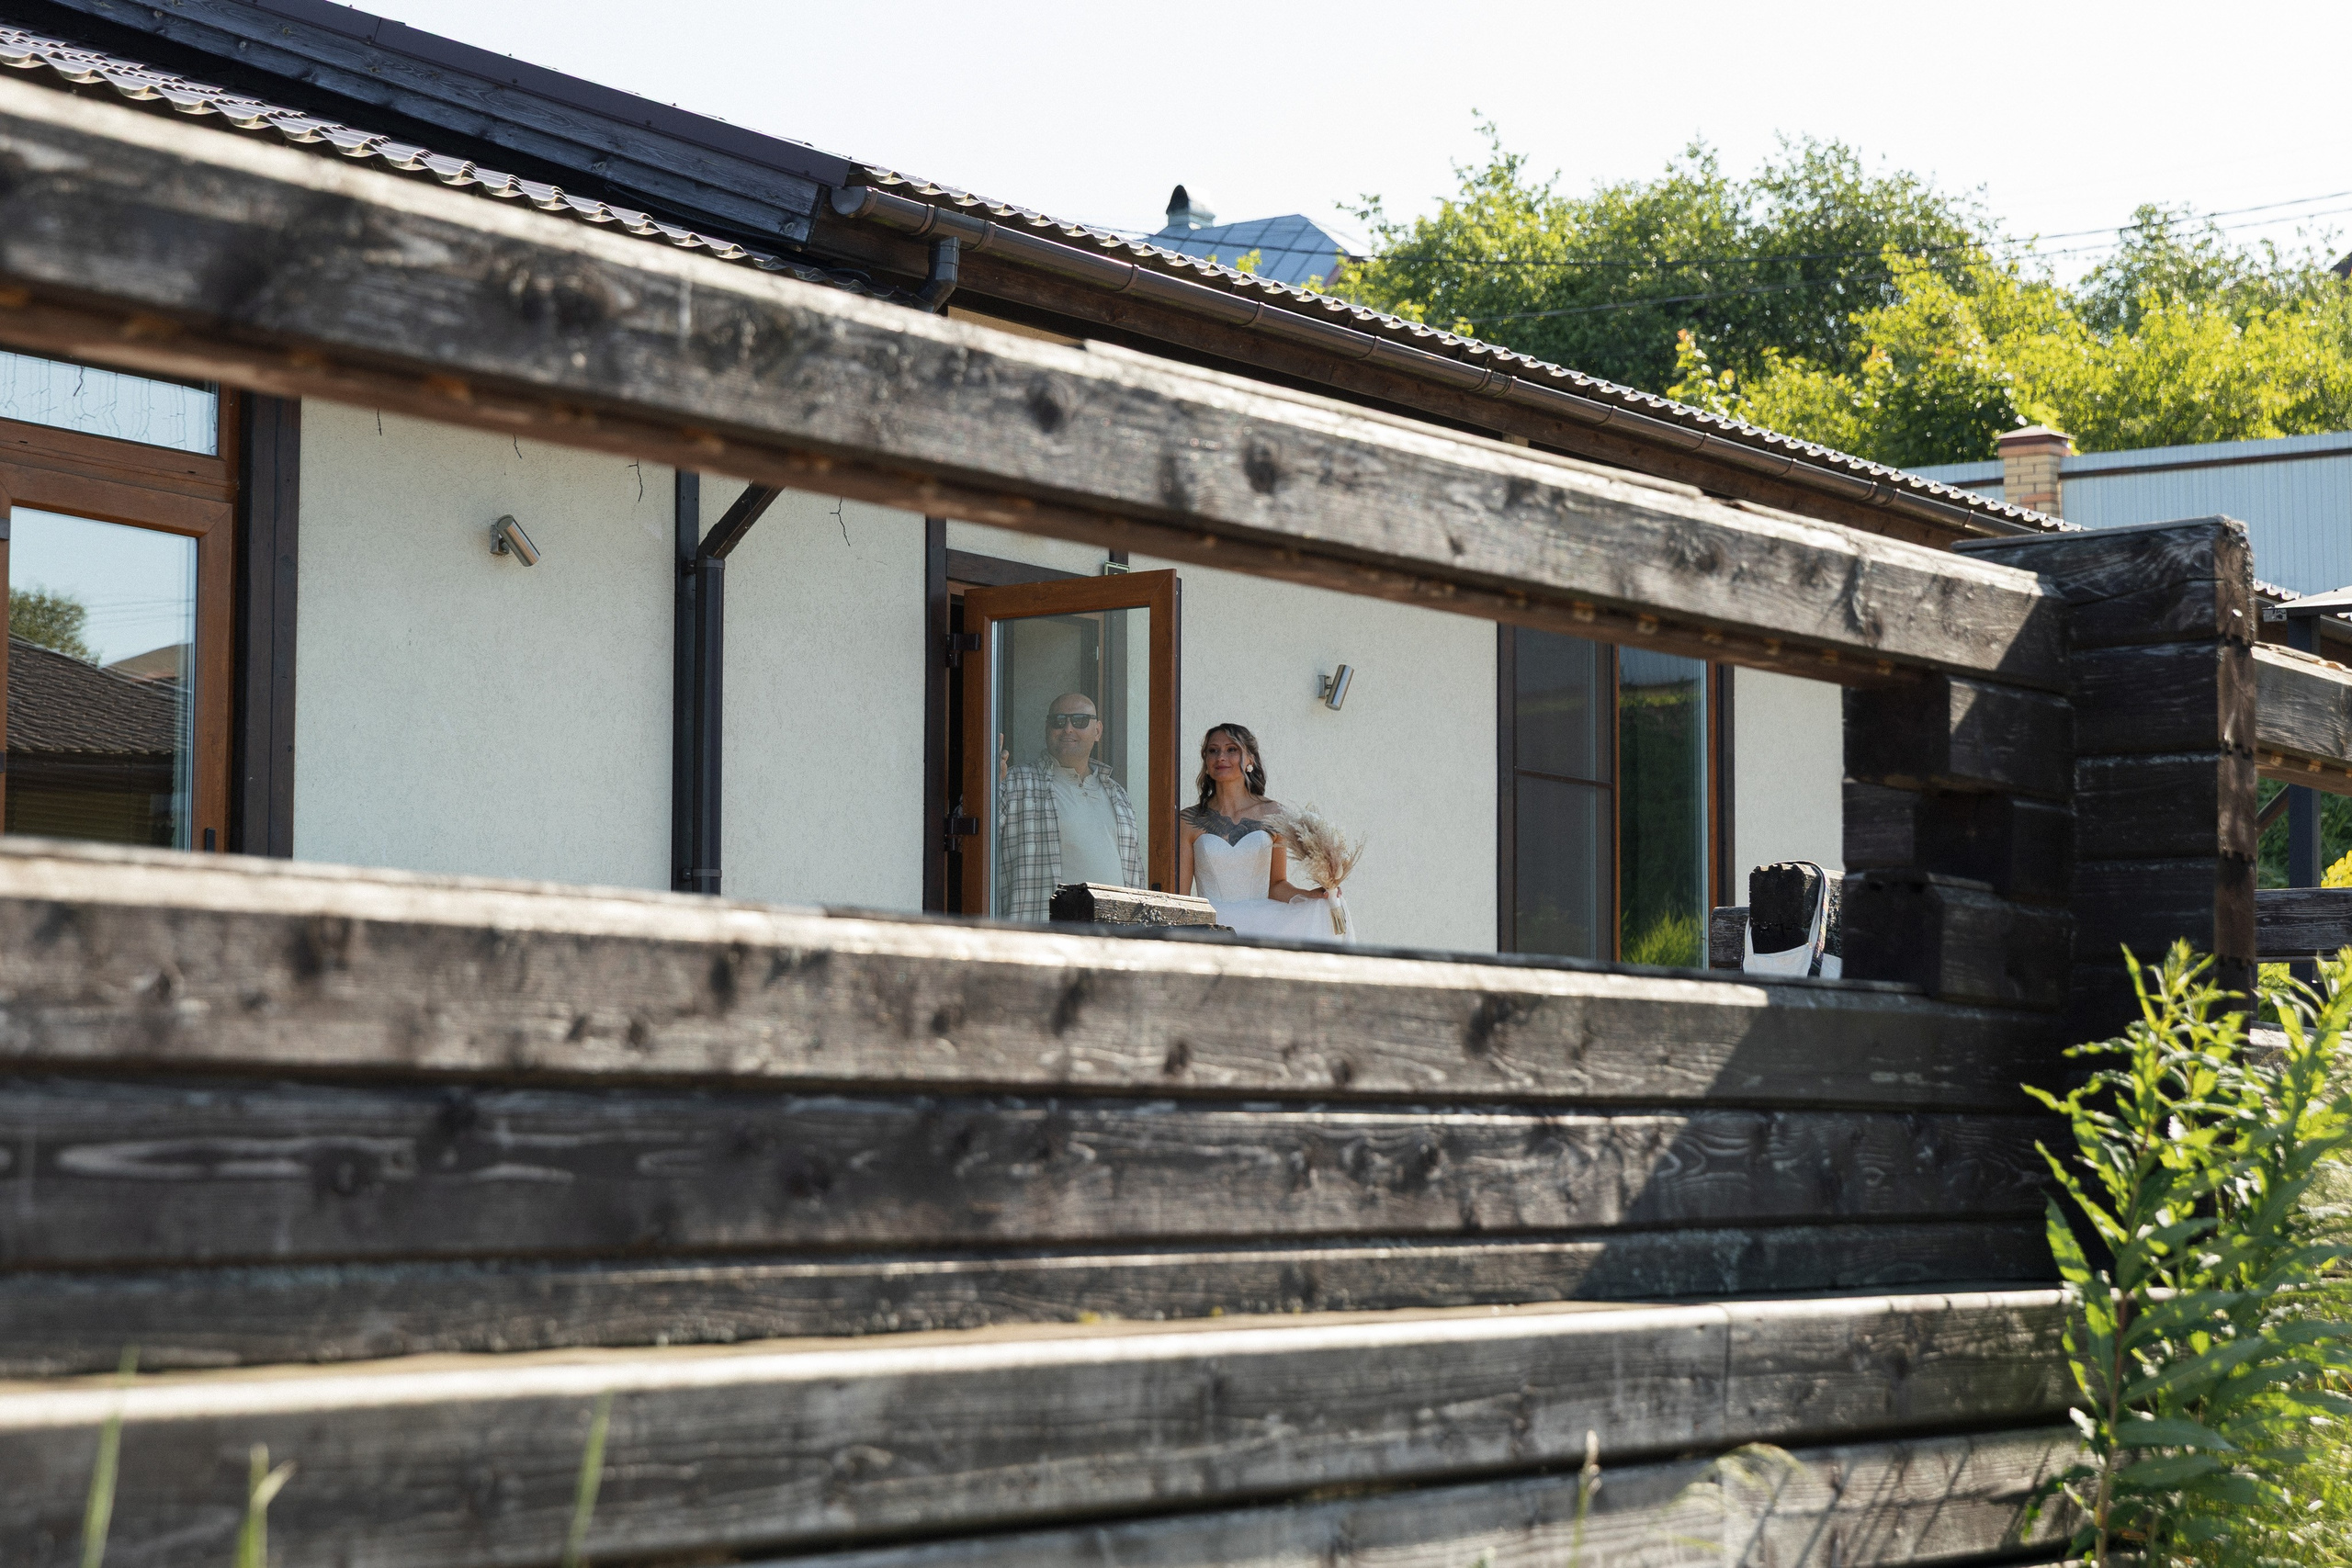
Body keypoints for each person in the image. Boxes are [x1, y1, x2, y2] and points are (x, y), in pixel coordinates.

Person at [1178, 722, 1334, 941]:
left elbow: (1276, 885)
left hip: (1263, 927)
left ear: (1250, 759)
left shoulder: (1274, 814)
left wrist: (1309, 896)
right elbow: (1181, 897)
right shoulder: (1188, 820)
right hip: (1212, 929)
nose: (1221, 757)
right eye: (1213, 751)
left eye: (1232, 749)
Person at [996, 691, 1140, 922]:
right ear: (1047, 728)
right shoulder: (1015, 782)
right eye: (1059, 721)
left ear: (1098, 731)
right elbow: (970, 839)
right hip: (1040, 936)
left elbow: (1135, 879)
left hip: (1111, 938)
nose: (1068, 729)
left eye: (1080, 721)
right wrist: (986, 783)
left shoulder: (1119, 795)